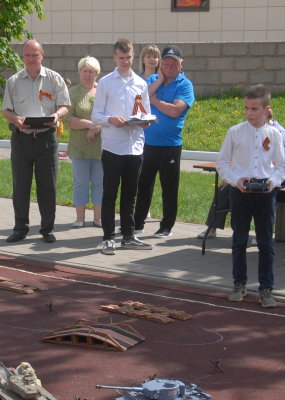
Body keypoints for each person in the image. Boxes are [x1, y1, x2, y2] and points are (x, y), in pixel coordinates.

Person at [217, 84, 285, 308]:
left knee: (266, 242)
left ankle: (266, 288)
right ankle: (239, 283)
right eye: (246, 108)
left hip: (265, 194)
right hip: (240, 192)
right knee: (239, 239)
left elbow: (282, 166)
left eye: (255, 109)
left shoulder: (274, 134)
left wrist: (272, 182)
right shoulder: (235, 132)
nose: (249, 113)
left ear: (267, 110)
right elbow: (222, 163)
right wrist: (236, 179)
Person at [1, 39, 69, 244]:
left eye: (35, 55)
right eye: (27, 56)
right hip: (22, 140)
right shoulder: (13, 81)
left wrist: (57, 116)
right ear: (23, 56)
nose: (31, 59)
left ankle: (47, 229)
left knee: (48, 186)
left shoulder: (54, 79)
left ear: (42, 54)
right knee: (20, 186)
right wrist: (15, 119)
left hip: (47, 140)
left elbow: (65, 105)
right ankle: (20, 228)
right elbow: (6, 110)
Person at [91, 38, 153, 255]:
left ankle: (128, 235)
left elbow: (144, 112)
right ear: (114, 58)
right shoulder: (106, 82)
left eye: (128, 58)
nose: (125, 62)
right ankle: (108, 237)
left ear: (133, 56)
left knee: (130, 193)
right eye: (121, 58)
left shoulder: (141, 83)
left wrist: (145, 120)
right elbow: (96, 115)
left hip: (135, 146)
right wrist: (111, 120)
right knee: (110, 193)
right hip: (113, 147)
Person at [133, 45, 195, 238]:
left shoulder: (185, 85)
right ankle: (137, 223)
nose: (169, 66)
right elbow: (141, 99)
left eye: (173, 63)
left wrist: (154, 101)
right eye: (166, 63)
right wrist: (159, 80)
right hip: (147, 143)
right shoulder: (153, 79)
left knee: (168, 188)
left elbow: (175, 110)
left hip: (170, 146)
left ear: (181, 64)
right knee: (143, 185)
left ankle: (166, 226)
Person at [65, 56, 103, 228]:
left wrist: (97, 128)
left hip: (101, 146)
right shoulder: (72, 93)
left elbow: (109, 115)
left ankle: (99, 218)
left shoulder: (103, 91)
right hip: (79, 145)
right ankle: (79, 218)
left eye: (91, 72)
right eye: (84, 71)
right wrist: (89, 125)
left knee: (99, 181)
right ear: (79, 72)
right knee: (80, 182)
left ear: (97, 74)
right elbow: (67, 119)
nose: (88, 75)